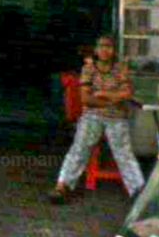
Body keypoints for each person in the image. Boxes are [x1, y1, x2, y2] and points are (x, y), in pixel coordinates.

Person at [48, 34, 145, 204]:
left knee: (124, 154)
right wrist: (113, 99)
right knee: (79, 149)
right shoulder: (89, 69)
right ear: (96, 50)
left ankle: (139, 193)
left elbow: (127, 93)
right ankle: (63, 186)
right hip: (92, 116)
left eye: (109, 46)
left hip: (117, 118)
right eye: (101, 46)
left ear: (114, 50)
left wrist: (102, 93)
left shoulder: (120, 68)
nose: (105, 50)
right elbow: (86, 99)